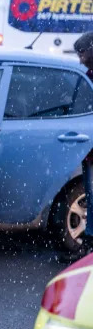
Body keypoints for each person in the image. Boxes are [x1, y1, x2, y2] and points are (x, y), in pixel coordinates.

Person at [75, 32, 93, 239]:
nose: (80, 59)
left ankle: (89, 242)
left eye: (82, 53)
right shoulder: (87, 76)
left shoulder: (88, 79)